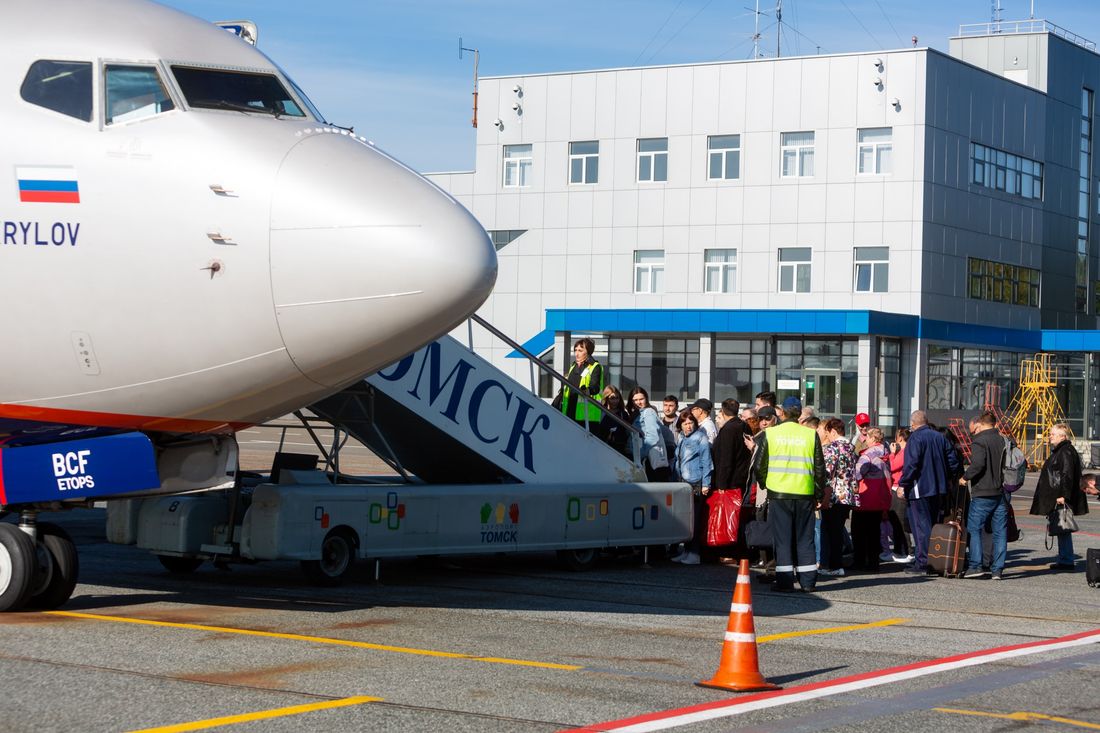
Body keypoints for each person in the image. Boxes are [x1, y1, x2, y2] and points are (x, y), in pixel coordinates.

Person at [754, 401, 826, 592]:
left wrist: (766, 485)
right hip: (804, 493)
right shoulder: (810, 435)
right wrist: (818, 494)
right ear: (799, 414)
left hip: (779, 494)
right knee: (805, 538)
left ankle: (785, 582)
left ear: (783, 413)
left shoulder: (771, 434)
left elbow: (758, 466)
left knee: (783, 540)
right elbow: (820, 469)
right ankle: (808, 582)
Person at [897, 410, 960, 575]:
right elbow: (953, 460)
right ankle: (933, 559)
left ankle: (923, 563)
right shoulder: (938, 437)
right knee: (932, 526)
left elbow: (912, 464)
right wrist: (946, 476)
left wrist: (903, 484)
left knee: (921, 527)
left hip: (920, 489)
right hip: (938, 488)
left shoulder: (915, 438)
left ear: (913, 424)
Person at [1030, 423, 1089, 570]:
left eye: (1053, 434)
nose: (1050, 436)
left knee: (1063, 527)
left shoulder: (1065, 451)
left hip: (1060, 496)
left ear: (1062, 436)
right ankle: (1065, 558)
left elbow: (1067, 475)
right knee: (1061, 527)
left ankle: (1067, 560)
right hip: (1056, 495)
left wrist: (1064, 495)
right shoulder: (1062, 450)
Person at [961, 412, 1007, 580]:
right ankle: (997, 569)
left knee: (974, 529)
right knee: (1000, 532)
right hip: (1000, 491)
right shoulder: (1004, 440)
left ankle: (975, 566)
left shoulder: (980, 441)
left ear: (979, 425)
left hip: (983, 492)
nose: (973, 433)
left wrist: (965, 477)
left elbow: (978, 465)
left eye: (974, 430)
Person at [671, 410, 713, 565]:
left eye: (691, 423)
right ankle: (687, 551)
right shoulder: (682, 438)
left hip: (695, 482)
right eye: (685, 423)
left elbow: (706, 461)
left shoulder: (700, 438)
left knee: (694, 520)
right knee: (686, 520)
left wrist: (706, 483)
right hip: (683, 481)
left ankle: (694, 554)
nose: (688, 426)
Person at [817, 417, 856, 577]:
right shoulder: (850, 446)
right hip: (847, 494)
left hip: (833, 494)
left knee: (828, 530)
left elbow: (827, 472)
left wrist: (821, 495)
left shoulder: (833, 448)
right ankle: (836, 564)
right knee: (838, 530)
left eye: (828, 432)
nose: (827, 436)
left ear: (833, 431)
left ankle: (831, 565)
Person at [853, 427, 892, 572]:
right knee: (874, 532)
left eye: (867, 438)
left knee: (859, 531)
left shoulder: (867, 456)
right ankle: (874, 562)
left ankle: (859, 561)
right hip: (880, 498)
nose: (865, 440)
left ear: (873, 439)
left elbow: (857, 474)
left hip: (865, 497)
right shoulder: (886, 454)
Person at [556, 338, 604, 430]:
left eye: (580, 350)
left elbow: (595, 387)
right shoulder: (573, 366)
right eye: (575, 350)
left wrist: (587, 390)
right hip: (569, 411)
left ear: (588, 352)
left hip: (586, 417)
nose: (577, 353)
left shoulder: (595, 366)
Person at [629, 386, 671, 482]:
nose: (638, 402)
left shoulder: (648, 412)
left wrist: (641, 454)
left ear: (646, 399)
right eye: (635, 400)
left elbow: (653, 436)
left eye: (641, 399)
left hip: (648, 460)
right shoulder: (637, 413)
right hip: (645, 459)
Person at [885, 428, 913, 563]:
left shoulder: (904, 451)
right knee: (895, 521)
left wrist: (891, 454)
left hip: (899, 489)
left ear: (900, 438)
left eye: (896, 437)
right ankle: (898, 550)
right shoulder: (903, 451)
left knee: (900, 521)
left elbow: (893, 466)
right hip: (896, 488)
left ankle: (908, 551)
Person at [597, 385, 631, 457]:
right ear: (606, 398)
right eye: (612, 398)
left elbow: (628, 433)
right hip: (601, 448)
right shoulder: (600, 412)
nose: (615, 401)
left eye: (617, 398)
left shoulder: (623, 414)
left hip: (619, 450)